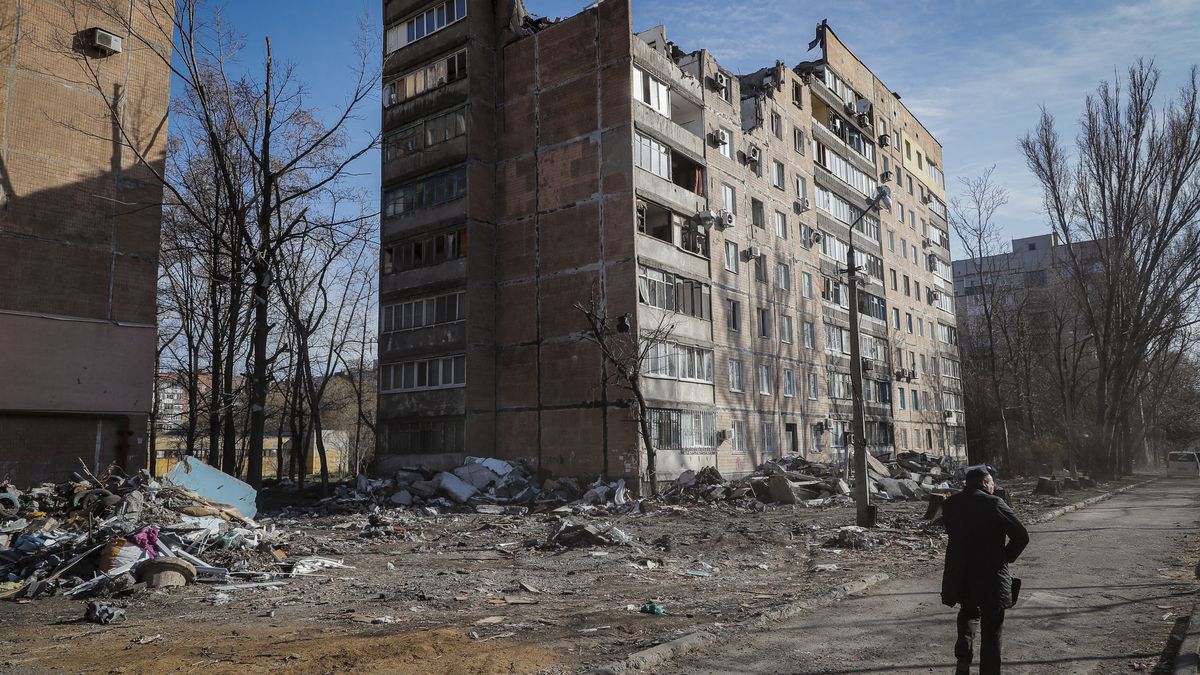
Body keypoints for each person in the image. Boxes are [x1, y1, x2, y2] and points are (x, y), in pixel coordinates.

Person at [941, 467, 1029, 675]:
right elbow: (1022, 536)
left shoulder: (951, 504)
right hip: (991, 576)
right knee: (991, 631)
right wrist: (1005, 558)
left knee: (968, 614)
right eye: (991, 483)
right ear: (984, 483)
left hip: (961, 575)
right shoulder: (994, 504)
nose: (993, 487)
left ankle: (963, 662)